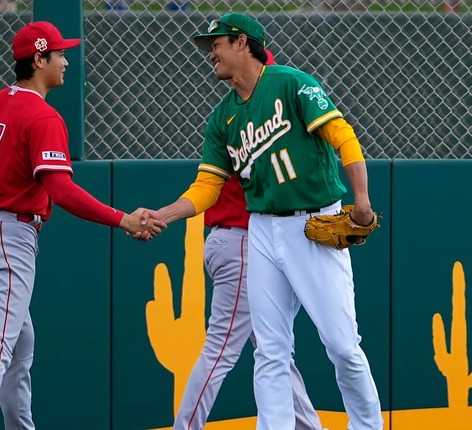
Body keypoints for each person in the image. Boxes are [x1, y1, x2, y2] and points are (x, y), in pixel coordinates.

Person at [138, 13, 382, 430]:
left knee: (342, 345)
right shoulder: (222, 118)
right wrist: (165, 214)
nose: (209, 52)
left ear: (242, 43)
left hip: (313, 225)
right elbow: (207, 187)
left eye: (216, 43)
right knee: (270, 350)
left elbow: (343, 135)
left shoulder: (291, 83)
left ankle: (368, 425)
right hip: (263, 230)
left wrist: (361, 198)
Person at [0, 21, 165, 430]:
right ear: (39, 59)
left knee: (20, 345)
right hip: (7, 240)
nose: (66, 60)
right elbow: (61, 189)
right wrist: (122, 219)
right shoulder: (42, 115)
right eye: (59, 53)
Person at [173, 49, 326, 430]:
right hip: (241, 244)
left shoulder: (247, 115)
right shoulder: (248, 119)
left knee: (274, 351)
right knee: (222, 350)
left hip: (235, 243)